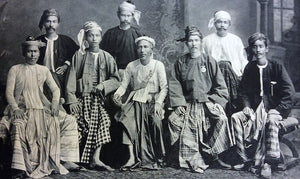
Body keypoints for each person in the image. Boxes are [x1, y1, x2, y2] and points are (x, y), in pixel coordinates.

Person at [0, 37, 80, 178]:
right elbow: (9, 92)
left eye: (35, 51)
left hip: (41, 107)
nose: (33, 55)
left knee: (69, 120)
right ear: (24, 53)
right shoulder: (16, 69)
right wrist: (15, 108)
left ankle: (63, 159)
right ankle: (20, 166)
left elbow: (55, 90)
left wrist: (55, 103)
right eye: (29, 51)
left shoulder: (43, 70)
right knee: (18, 125)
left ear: (39, 53)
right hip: (21, 108)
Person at [168, 26, 234, 173]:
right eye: (190, 41)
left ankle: (212, 154)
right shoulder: (181, 62)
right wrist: (178, 103)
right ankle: (187, 157)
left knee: (221, 119)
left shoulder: (209, 61)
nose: (193, 44)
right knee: (174, 121)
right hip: (187, 103)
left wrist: (215, 102)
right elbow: (174, 84)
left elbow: (221, 86)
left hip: (207, 102)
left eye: (196, 40)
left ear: (201, 42)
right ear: (187, 43)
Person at [231, 33, 295, 178]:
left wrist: (278, 110)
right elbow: (243, 92)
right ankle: (244, 159)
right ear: (252, 49)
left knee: (269, 121)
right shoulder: (250, 68)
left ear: (266, 49)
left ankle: (266, 162)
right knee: (236, 117)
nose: (258, 50)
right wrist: (246, 106)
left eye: (261, 46)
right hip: (254, 109)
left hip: (273, 109)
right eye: (255, 47)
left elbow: (289, 92)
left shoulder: (276, 67)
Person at [65, 21, 120, 171]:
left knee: (104, 121)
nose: (94, 39)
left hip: (100, 100)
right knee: (77, 121)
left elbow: (116, 80)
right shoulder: (79, 56)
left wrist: (104, 85)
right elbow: (70, 78)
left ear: (101, 38)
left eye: (97, 35)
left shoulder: (107, 57)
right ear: (86, 38)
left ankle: (96, 158)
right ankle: (70, 160)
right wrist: (71, 100)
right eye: (91, 36)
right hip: (82, 98)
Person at [113, 36, 168, 170]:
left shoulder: (157, 65)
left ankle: (158, 156)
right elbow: (123, 85)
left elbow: (164, 87)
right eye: (140, 47)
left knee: (155, 121)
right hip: (136, 100)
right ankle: (131, 157)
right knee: (127, 119)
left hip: (153, 101)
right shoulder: (132, 66)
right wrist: (118, 94)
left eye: (145, 47)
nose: (142, 50)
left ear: (151, 49)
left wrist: (159, 103)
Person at [203, 10, 248, 116]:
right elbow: (202, 61)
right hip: (213, 79)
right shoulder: (206, 41)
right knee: (222, 65)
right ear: (214, 23)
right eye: (219, 22)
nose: (222, 25)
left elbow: (243, 60)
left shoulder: (235, 40)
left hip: (234, 78)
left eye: (225, 22)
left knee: (225, 65)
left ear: (229, 24)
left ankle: (230, 109)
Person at [36, 9, 79, 101]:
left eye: (54, 22)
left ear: (58, 23)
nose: (51, 25)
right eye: (48, 21)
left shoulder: (65, 40)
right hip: (41, 79)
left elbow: (76, 54)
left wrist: (66, 65)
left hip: (61, 80)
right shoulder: (38, 41)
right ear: (43, 22)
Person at [100, 0, 144, 73]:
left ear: (132, 16)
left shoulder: (138, 34)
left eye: (128, 16)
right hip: (115, 72)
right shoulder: (110, 34)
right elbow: (104, 55)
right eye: (123, 15)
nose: (126, 19)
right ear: (118, 14)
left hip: (135, 72)